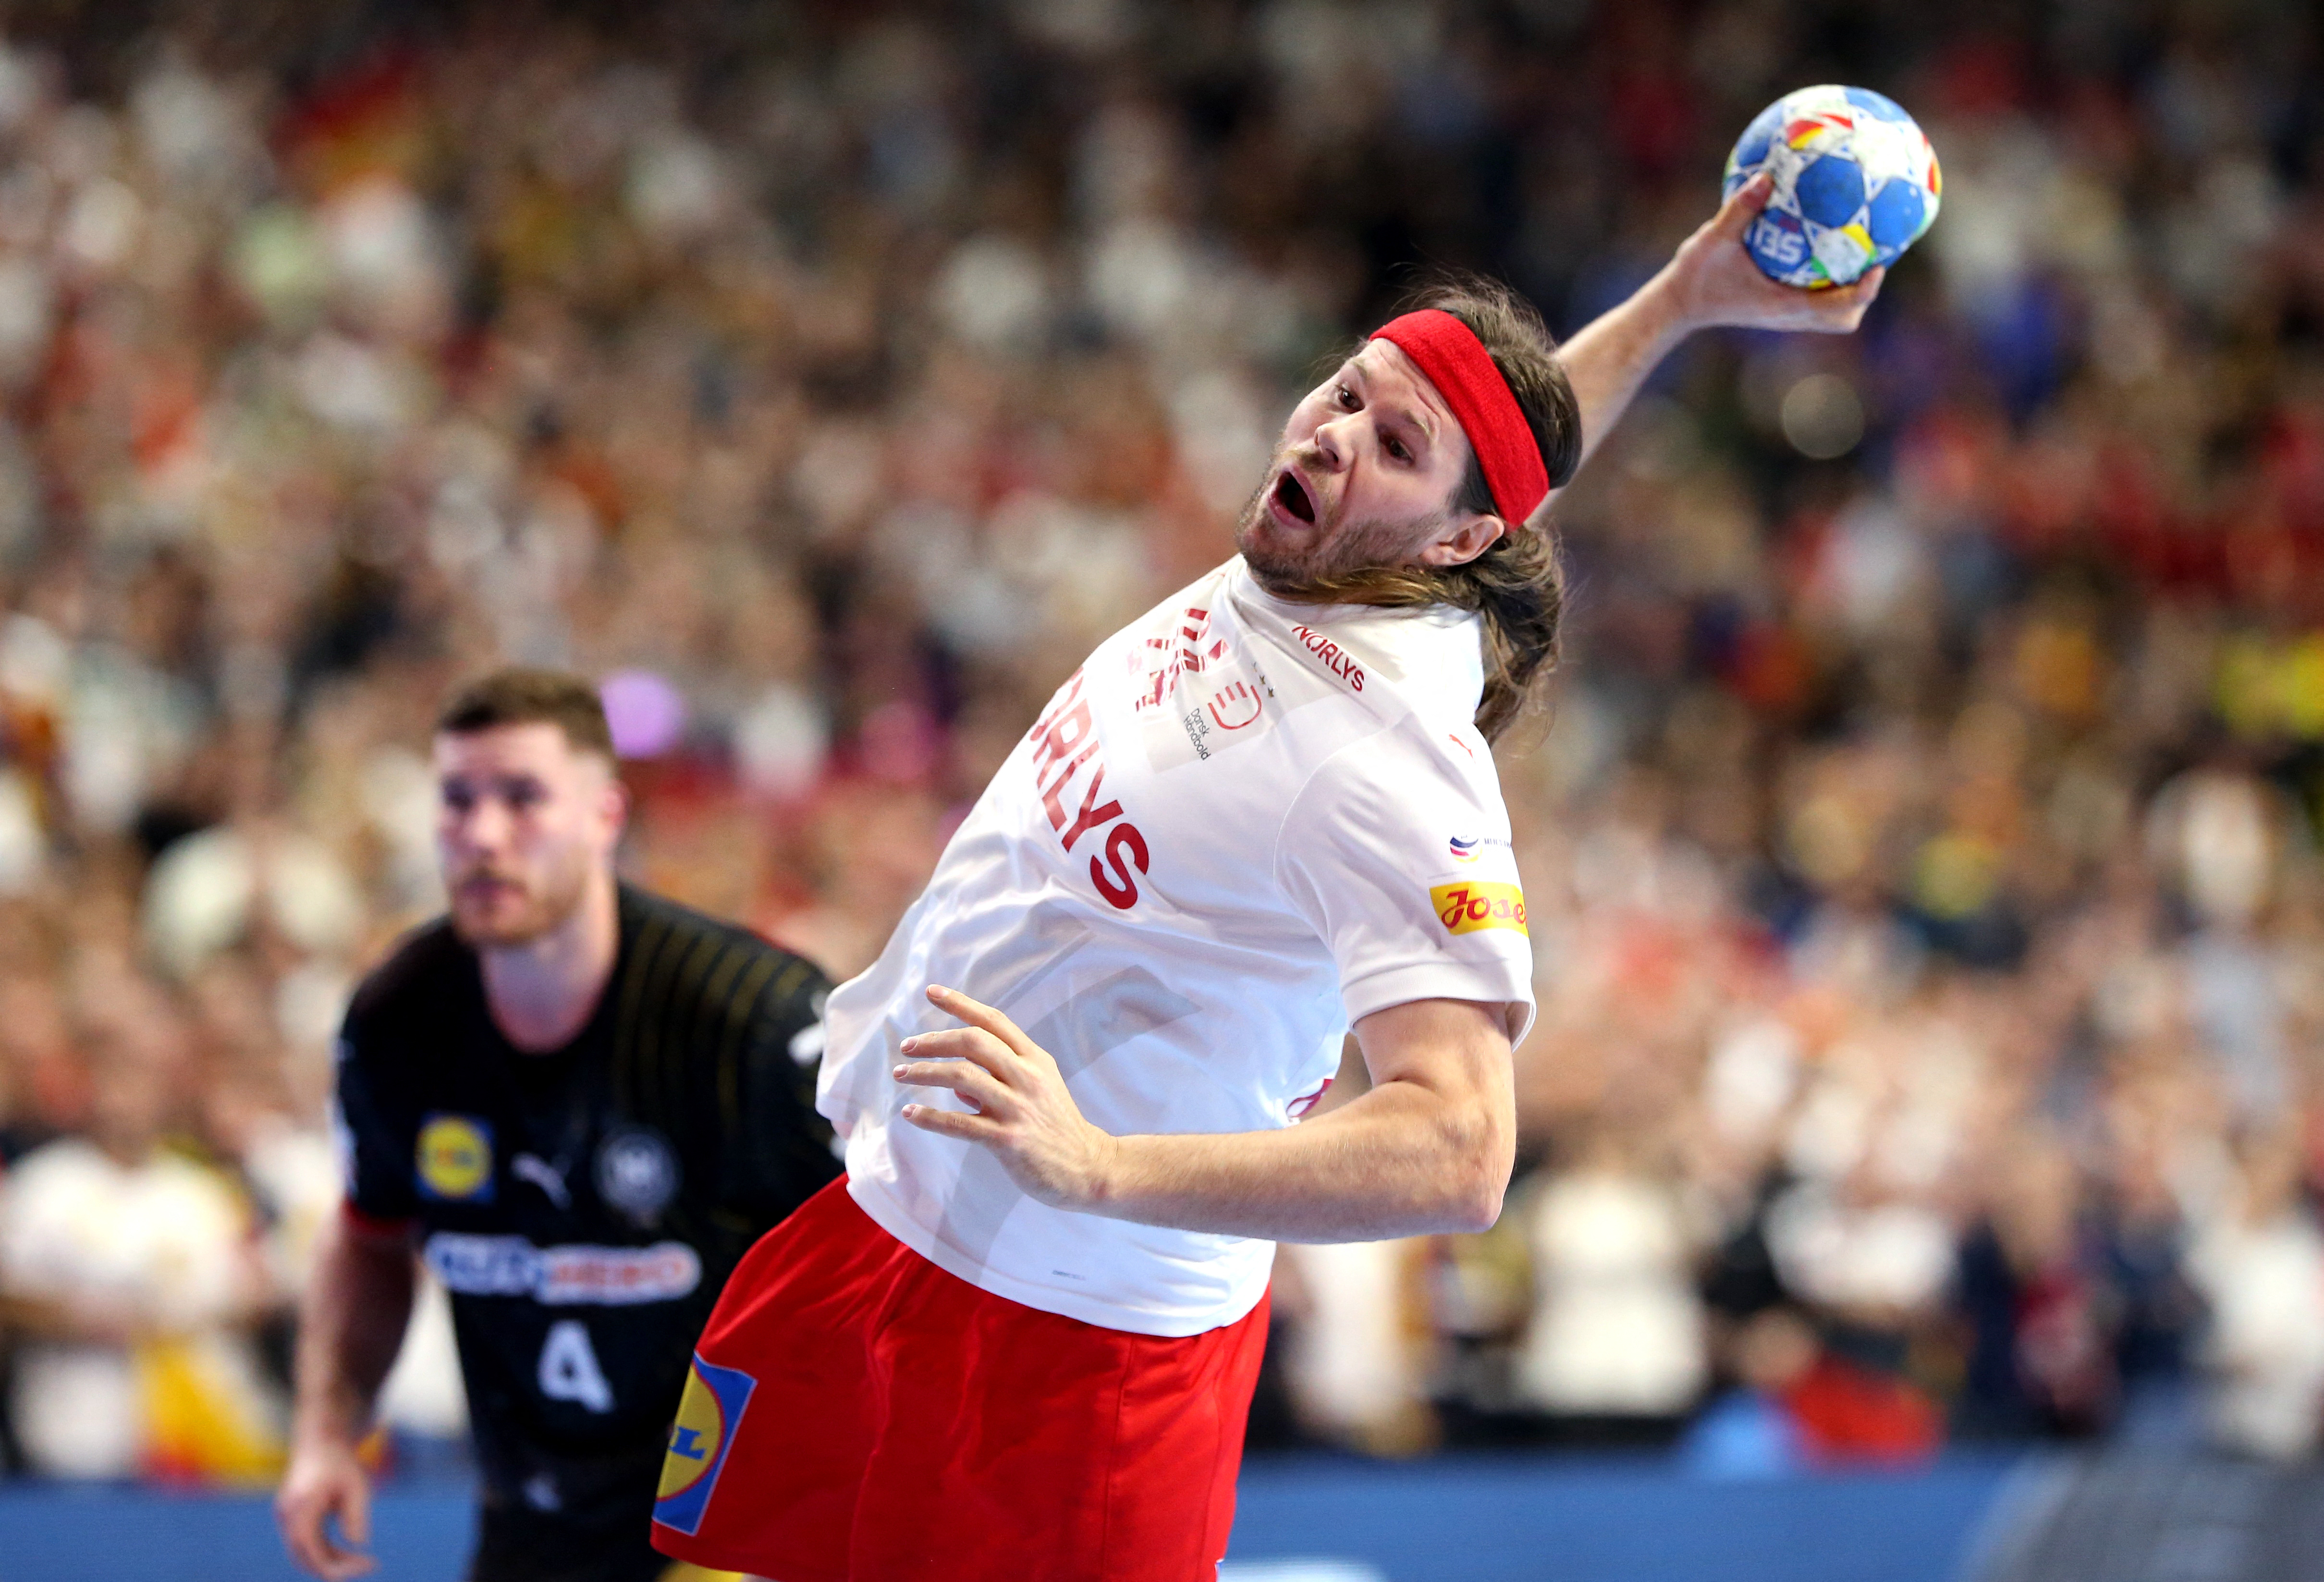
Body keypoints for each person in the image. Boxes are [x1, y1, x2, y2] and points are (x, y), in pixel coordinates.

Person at [651, 176, 1881, 1582]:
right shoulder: (1324, 556)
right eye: (1347, 392)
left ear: (1454, 544)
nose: (1335, 433)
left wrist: (1102, 1164)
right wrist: (1683, 299)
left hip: (1068, 1345)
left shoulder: (1386, 761)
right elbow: (1501, 457)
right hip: (897, 1215)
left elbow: (1459, 1147)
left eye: (1388, 440)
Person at [274, 669, 838, 1582]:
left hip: (743, 1525)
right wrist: (325, 1435)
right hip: (534, 1522)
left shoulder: (754, 1020)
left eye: (523, 798)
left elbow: (889, 1266)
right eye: (457, 801)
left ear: (606, 816)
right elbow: (370, 1238)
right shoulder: (395, 1023)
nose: (483, 835)